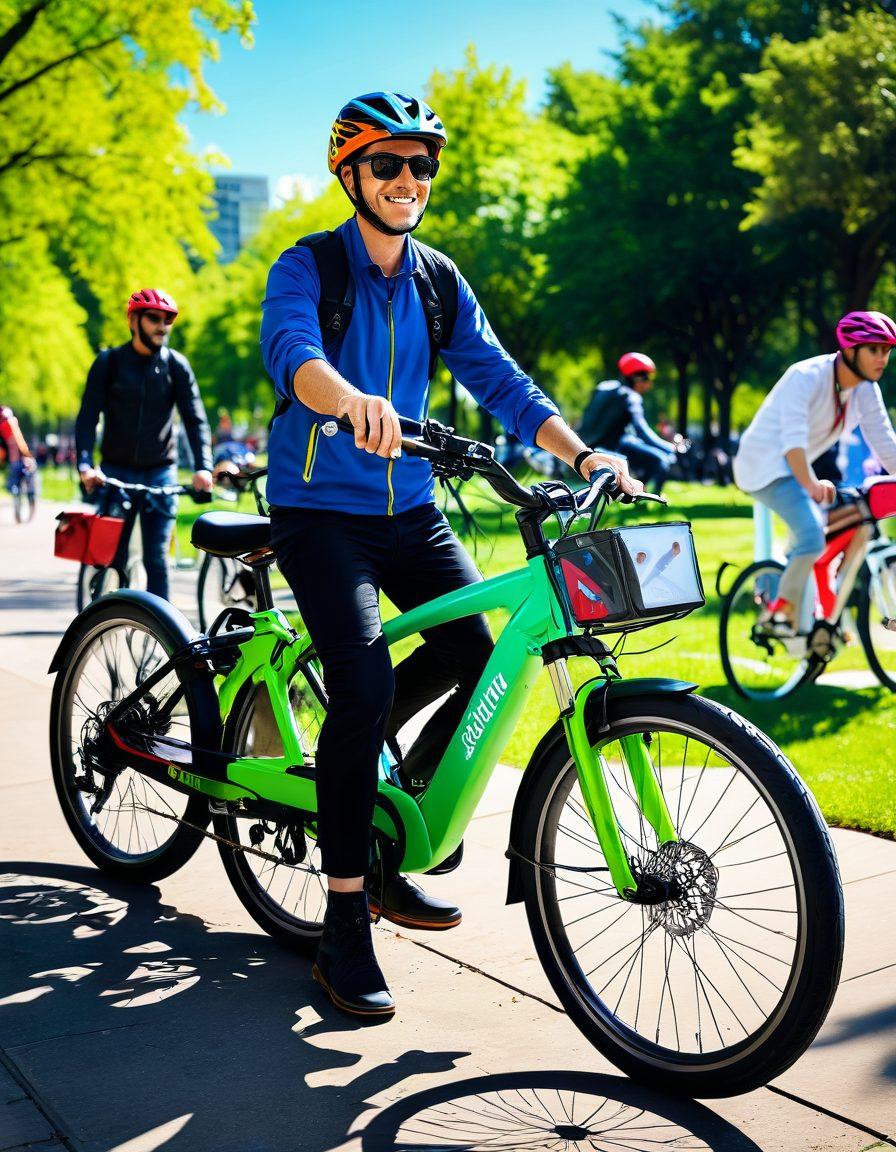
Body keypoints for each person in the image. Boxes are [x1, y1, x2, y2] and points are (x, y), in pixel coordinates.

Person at [261, 91, 642, 1020]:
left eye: (422, 165)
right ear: (350, 173)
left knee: (480, 657)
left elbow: (499, 378)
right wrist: (345, 398)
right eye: (388, 164)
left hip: (414, 508)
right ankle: (345, 918)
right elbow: (291, 350)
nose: (408, 180)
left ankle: (397, 821)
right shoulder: (310, 264)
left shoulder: (437, 278)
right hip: (320, 510)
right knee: (360, 687)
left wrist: (582, 451)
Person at [733, 310, 896, 635]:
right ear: (850, 351)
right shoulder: (806, 376)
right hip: (763, 467)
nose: (883, 358)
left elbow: (884, 441)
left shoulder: (864, 389)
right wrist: (810, 483)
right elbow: (793, 443)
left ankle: (820, 624)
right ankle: (781, 611)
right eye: (874, 349)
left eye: (887, 350)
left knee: (834, 530)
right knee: (811, 535)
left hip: (796, 469)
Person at [75, 289, 214, 600]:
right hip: (114, 471)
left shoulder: (176, 366)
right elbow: (86, 418)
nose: (161, 326)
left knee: (157, 560)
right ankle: (103, 622)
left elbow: (195, 420)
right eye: (154, 318)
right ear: (132, 320)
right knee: (114, 559)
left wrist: (203, 467)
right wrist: (85, 464)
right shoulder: (108, 363)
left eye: (167, 320)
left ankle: (161, 639)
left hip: (160, 472)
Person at [577, 353, 676, 494]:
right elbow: (643, 432)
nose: (650, 383)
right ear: (637, 378)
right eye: (648, 378)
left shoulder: (605, 387)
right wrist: (669, 448)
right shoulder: (631, 397)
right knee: (663, 460)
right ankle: (652, 501)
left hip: (590, 446)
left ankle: (635, 490)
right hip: (615, 447)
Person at [0, 404, 37, 497]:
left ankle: (25, 492)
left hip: (18, 459)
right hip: (16, 460)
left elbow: (20, 445)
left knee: (25, 482)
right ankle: (22, 491)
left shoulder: (10, 424)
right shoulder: (9, 424)